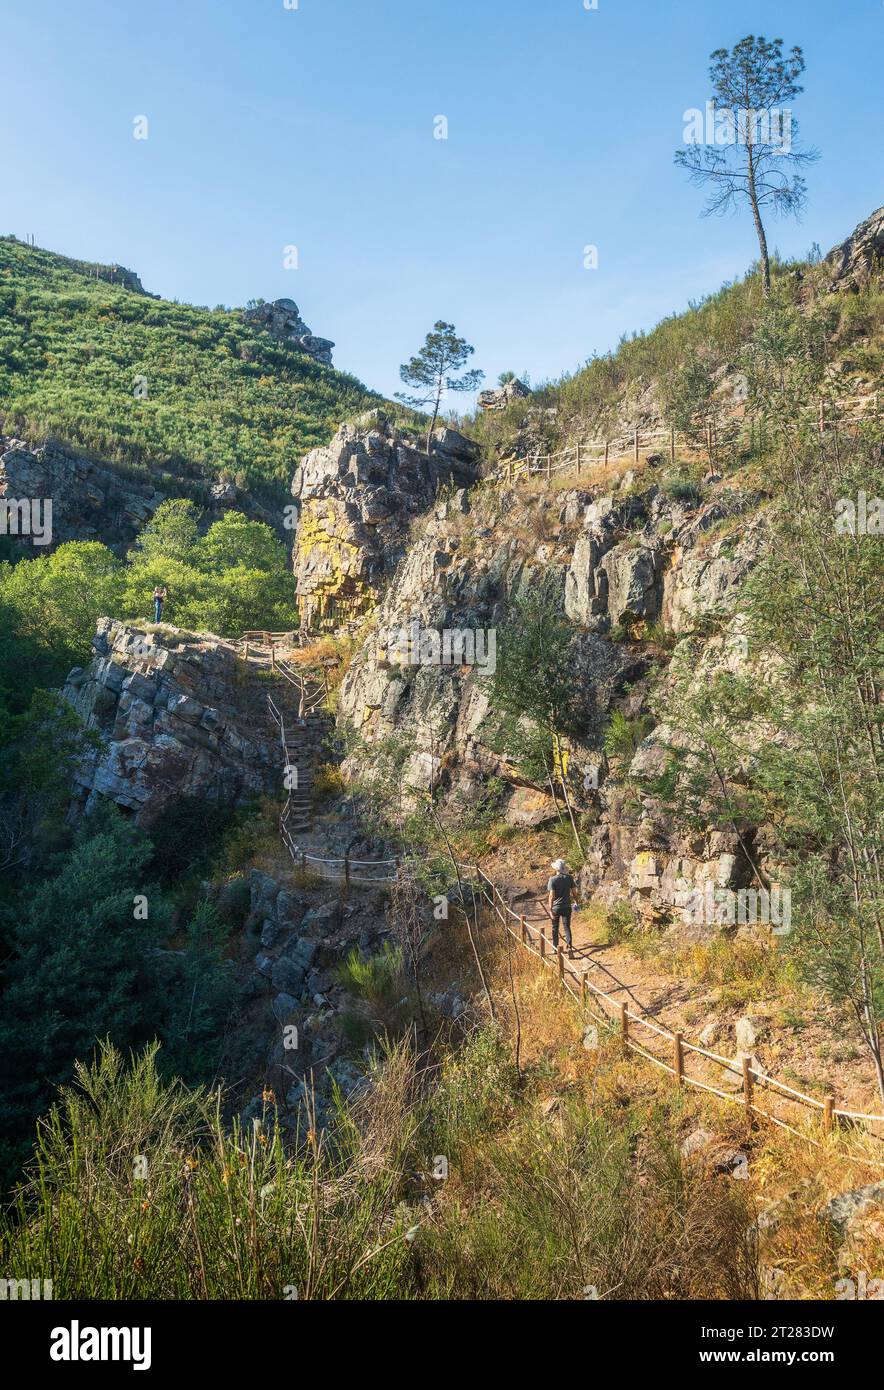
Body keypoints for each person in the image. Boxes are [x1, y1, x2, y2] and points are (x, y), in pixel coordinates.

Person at [546, 858, 578, 956]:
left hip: (556, 907)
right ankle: (569, 948)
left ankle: (555, 948)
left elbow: (551, 895)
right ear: (564, 868)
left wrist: (550, 909)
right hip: (567, 907)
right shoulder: (569, 878)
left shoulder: (552, 879)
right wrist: (577, 902)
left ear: (556, 869)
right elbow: (574, 892)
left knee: (555, 928)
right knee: (567, 927)